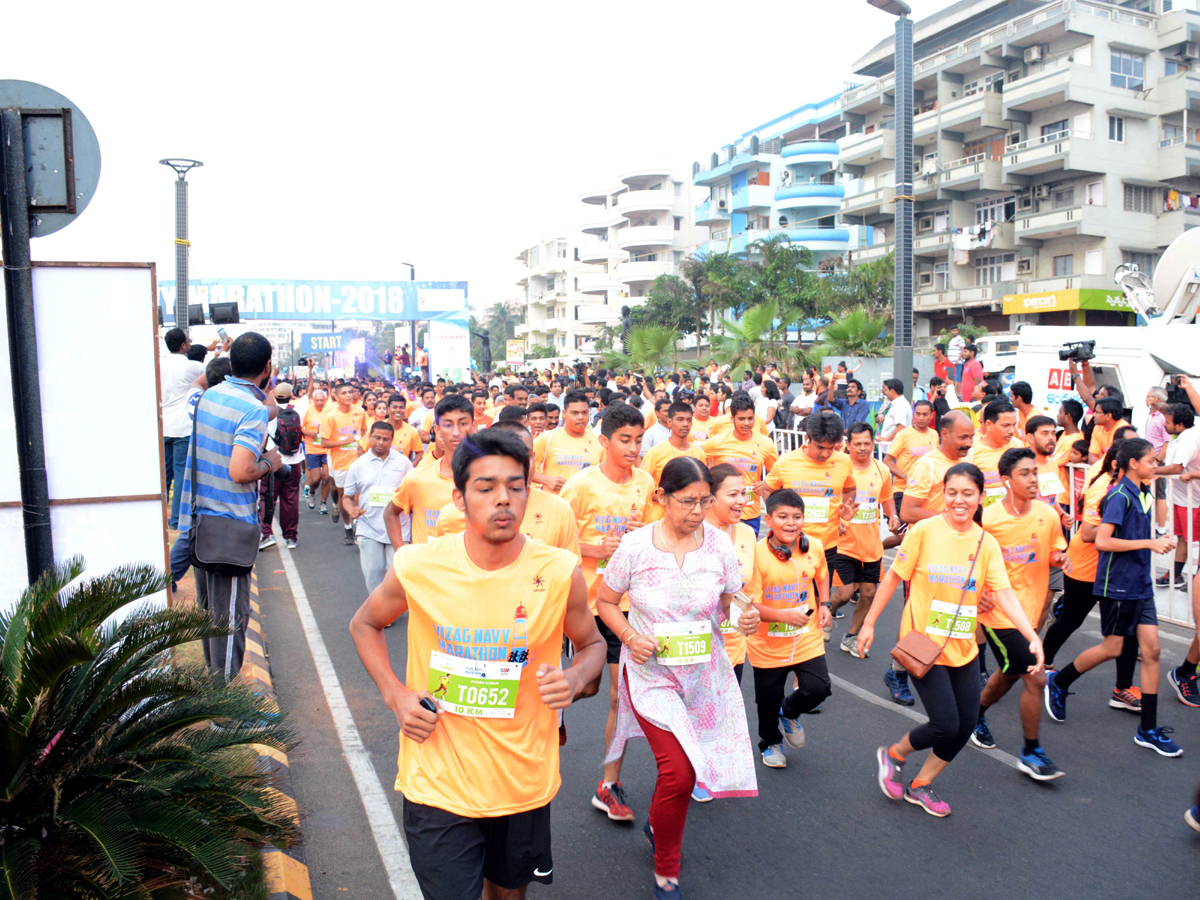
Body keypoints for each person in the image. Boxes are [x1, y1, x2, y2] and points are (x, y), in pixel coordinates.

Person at [348, 429, 606, 900]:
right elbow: (365, 624)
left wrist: (575, 678)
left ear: (529, 492)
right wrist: (395, 694)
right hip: (438, 780)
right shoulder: (418, 565)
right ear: (460, 498)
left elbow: (592, 646)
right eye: (485, 488)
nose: (503, 499)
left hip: (522, 779)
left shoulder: (558, 571)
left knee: (508, 895)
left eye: (515, 486)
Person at [597, 457, 759, 898]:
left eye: (705, 501)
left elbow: (732, 600)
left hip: (704, 677)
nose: (697, 512)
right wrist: (630, 636)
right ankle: (666, 865)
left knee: (693, 770)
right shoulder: (635, 546)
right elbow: (606, 601)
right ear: (661, 498)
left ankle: (657, 823)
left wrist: (745, 616)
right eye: (687, 502)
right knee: (680, 774)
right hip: (652, 677)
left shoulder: (721, 547)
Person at [861, 463, 1042, 817]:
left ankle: (919, 785)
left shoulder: (985, 542)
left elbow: (1003, 593)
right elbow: (894, 577)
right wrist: (869, 623)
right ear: (944, 495)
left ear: (980, 498)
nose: (959, 501)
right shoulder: (925, 531)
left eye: (967, 494)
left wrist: (1030, 634)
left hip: (962, 645)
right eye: (952, 493)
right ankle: (895, 755)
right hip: (922, 643)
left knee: (966, 724)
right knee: (945, 723)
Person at [1045, 439, 1184, 757]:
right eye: (1151, 460)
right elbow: (1103, 541)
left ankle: (1148, 729)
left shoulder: (1144, 490)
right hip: (1118, 584)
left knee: (1152, 651)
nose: (1156, 464)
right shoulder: (1119, 494)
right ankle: (1060, 681)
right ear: (1133, 463)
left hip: (1140, 582)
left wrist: (1156, 541)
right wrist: (1150, 544)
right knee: (1113, 647)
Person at [559, 403, 654, 823]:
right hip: (582, 604)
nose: (634, 448)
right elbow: (551, 545)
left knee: (621, 695)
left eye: (639, 439)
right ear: (604, 441)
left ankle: (608, 783)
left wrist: (641, 540)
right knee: (591, 687)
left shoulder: (647, 484)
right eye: (625, 440)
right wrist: (598, 549)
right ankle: (548, 707)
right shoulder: (580, 486)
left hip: (623, 605)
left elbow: (655, 535)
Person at [179, 332, 282, 681]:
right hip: (231, 528)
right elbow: (240, 471)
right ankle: (222, 711)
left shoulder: (210, 396)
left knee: (211, 618)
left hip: (202, 522)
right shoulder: (251, 410)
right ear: (267, 367)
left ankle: (214, 696)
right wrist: (271, 463)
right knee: (230, 623)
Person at [975, 448, 1069, 780]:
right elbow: (970, 563)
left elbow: (1055, 548)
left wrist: (1059, 559)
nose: (1033, 479)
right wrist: (979, 593)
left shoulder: (1047, 513)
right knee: (1036, 676)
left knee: (1010, 673)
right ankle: (1031, 752)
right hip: (999, 615)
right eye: (1025, 474)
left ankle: (976, 712)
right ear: (1006, 481)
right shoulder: (988, 520)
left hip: (1029, 614)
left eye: (1034, 472)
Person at [743, 489, 832, 768]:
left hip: (806, 636)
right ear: (768, 519)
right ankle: (769, 743)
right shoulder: (756, 555)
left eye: (797, 517)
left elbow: (823, 573)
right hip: (767, 643)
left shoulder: (814, 546)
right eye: (783, 516)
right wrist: (783, 616)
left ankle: (789, 711)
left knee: (819, 688)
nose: (790, 523)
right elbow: (750, 605)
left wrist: (826, 603)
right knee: (767, 700)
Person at [761, 409, 858, 593]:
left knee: (821, 601)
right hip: (791, 544)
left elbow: (850, 489)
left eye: (831, 448)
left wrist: (842, 513)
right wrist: (779, 517)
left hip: (826, 546)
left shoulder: (844, 462)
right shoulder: (787, 462)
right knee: (790, 602)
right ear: (808, 438)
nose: (825, 453)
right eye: (820, 447)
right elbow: (767, 489)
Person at [834, 423, 901, 654]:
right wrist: (838, 522)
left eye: (867, 443)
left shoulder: (881, 469)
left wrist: (892, 515)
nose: (863, 448)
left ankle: (851, 637)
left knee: (869, 594)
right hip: (843, 544)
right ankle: (827, 611)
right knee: (844, 593)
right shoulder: (839, 468)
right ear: (848, 445)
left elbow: (887, 497)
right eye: (857, 444)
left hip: (871, 546)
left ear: (873, 443)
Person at [386, 395, 476, 546]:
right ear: (437, 430)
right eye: (448, 425)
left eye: (463, 423)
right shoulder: (417, 478)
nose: (456, 432)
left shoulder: (489, 478)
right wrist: (402, 554)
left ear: (474, 426)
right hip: (426, 567)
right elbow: (390, 513)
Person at [344, 421, 413, 593]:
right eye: (377, 438)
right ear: (369, 437)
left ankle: (388, 610)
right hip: (369, 528)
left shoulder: (404, 463)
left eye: (386, 439)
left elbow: (414, 491)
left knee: (395, 573)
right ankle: (377, 615)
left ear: (392, 441)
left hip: (399, 529)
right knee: (373, 573)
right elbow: (347, 497)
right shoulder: (358, 465)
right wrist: (351, 509)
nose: (381, 442)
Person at [706, 465, 758, 689]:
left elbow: (751, 591)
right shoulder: (692, 535)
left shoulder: (747, 533)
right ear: (710, 498)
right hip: (698, 648)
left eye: (744, 493)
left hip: (734, 648)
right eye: (733, 495)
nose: (741, 501)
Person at [702, 393, 779, 535]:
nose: (746, 423)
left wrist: (765, 483)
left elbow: (776, 472)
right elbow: (697, 459)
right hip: (722, 513)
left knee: (747, 554)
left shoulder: (765, 443)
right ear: (732, 418)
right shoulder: (718, 442)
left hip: (750, 511)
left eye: (750, 418)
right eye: (741, 419)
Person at [160, 327, 209, 529]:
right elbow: (211, 377)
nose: (190, 344)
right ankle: (177, 520)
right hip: (183, 427)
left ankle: (159, 517)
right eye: (188, 341)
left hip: (163, 426)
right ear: (182, 345)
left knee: (164, 475)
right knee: (181, 473)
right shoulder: (193, 367)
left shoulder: (159, 364)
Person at [1155, 403, 1200, 590]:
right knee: (1182, 537)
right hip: (1182, 497)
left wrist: (1150, 470)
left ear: (1180, 424)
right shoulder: (1179, 437)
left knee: (1192, 539)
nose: (1164, 425)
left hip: (1194, 499)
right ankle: (1175, 574)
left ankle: (1197, 581)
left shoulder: (1188, 439)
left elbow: (1176, 467)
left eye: (1168, 422)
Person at [641, 401, 706, 522]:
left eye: (689, 420)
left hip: (689, 519)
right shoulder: (655, 453)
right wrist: (668, 499)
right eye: (680, 419)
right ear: (670, 422)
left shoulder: (699, 453)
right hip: (659, 518)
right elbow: (641, 486)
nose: (685, 424)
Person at [320, 383, 368, 544]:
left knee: (359, 495)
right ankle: (347, 526)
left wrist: (362, 445)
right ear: (336, 397)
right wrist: (342, 441)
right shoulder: (331, 416)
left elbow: (364, 431)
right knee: (344, 496)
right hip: (340, 462)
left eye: (350, 392)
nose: (348, 395)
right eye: (344, 393)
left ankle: (358, 525)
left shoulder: (360, 411)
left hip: (359, 461)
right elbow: (324, 443)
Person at [260, 382, 304, 550]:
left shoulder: (269, 412)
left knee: (267, 497)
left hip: (274, 461)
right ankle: (291, 537)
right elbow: (307, 395)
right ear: (291, 395)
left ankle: (266, 534)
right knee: (291, 499)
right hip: (294, 462)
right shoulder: (299, 409)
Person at [533, 390, 603, 493]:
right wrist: (547, 480)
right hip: (555, 505)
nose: (580, 417)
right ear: (564, 414)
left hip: (586, 506)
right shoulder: (547, 438)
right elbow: (523, 470)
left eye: (584, 413)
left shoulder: (598, 440)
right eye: (575, 413)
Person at [883, 400, 938, 518]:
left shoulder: (934, 434)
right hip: (903, 490)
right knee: (901, 532)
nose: (921, 418)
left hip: (926, 491)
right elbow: (887, 461)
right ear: (913, 415)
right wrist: (905, 477)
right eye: (918, 414)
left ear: (932, 415)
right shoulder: (904, 435)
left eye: (925, 414)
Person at [966, 400, 1022, 509]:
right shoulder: (970, 452)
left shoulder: (1018, 445)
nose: (1011, 431)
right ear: (989, 425)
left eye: (1014, 425)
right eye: (1005, 426)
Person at [1088, 397, 1131, 464]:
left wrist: (1101, 457)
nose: (1093, 415)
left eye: (1097, 412)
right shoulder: (1097, 427)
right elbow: (1091, 457)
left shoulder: (1123, 429)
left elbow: (1118, 461)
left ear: (1108, 416)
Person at [386, 393, 423, 465]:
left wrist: (411, 467)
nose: (398, 410)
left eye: (401, 407)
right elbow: (362, 447)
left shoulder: (411, 431)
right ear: (388, 409)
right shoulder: (378, 428)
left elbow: (419, 452)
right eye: (394, 407)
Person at [877, 378, 911, 442]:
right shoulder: (897, 404)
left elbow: (901, 427)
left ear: (892, 391)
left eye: (886, 390)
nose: (885, 393)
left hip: (893, 448)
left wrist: (886, 439)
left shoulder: (900, 405)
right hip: (890, 447)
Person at [958, 344, 984, 408]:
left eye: (965, 352)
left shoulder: (975, 364)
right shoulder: (967, 364)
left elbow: (978, 380)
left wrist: (975, 396)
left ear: (972, 353)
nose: (963, 353)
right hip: (966, 399)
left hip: (972, 399)